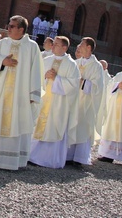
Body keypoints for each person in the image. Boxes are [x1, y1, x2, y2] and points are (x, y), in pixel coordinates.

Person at [0, 16, 42, 170]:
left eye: (12, 26)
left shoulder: (31, 47)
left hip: (21, 95)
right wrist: (2, 62)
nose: (8, 28)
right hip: (2, 93)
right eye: (8, 25)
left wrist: (33, 95)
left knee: (19, 121)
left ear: (21, 29)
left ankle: (14, 160)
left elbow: (36, 71)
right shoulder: (3, 43)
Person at [28, 36, 79, 168]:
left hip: (59, 105)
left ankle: (49, 160)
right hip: (44, 101)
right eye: (53, 44)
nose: (53, 46)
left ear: (64, 48)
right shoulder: (47, 60)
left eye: (56, 44)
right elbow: (37, 77)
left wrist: (56, 79)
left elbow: (73, 86)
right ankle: (32, 155)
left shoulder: (71, 65)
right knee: (38, 126)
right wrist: (45, 76)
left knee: (53, 127)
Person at [68, 37, 103, 166]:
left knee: (83, 127)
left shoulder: (96, 66)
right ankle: (68, 155)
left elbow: (98, 87)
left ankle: (80, 158)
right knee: (72, 125)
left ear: (89, 47)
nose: (79, 46)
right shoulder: (76, 63)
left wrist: (83, 82)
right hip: (75, 101)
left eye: (82, 44)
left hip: (87, 103)